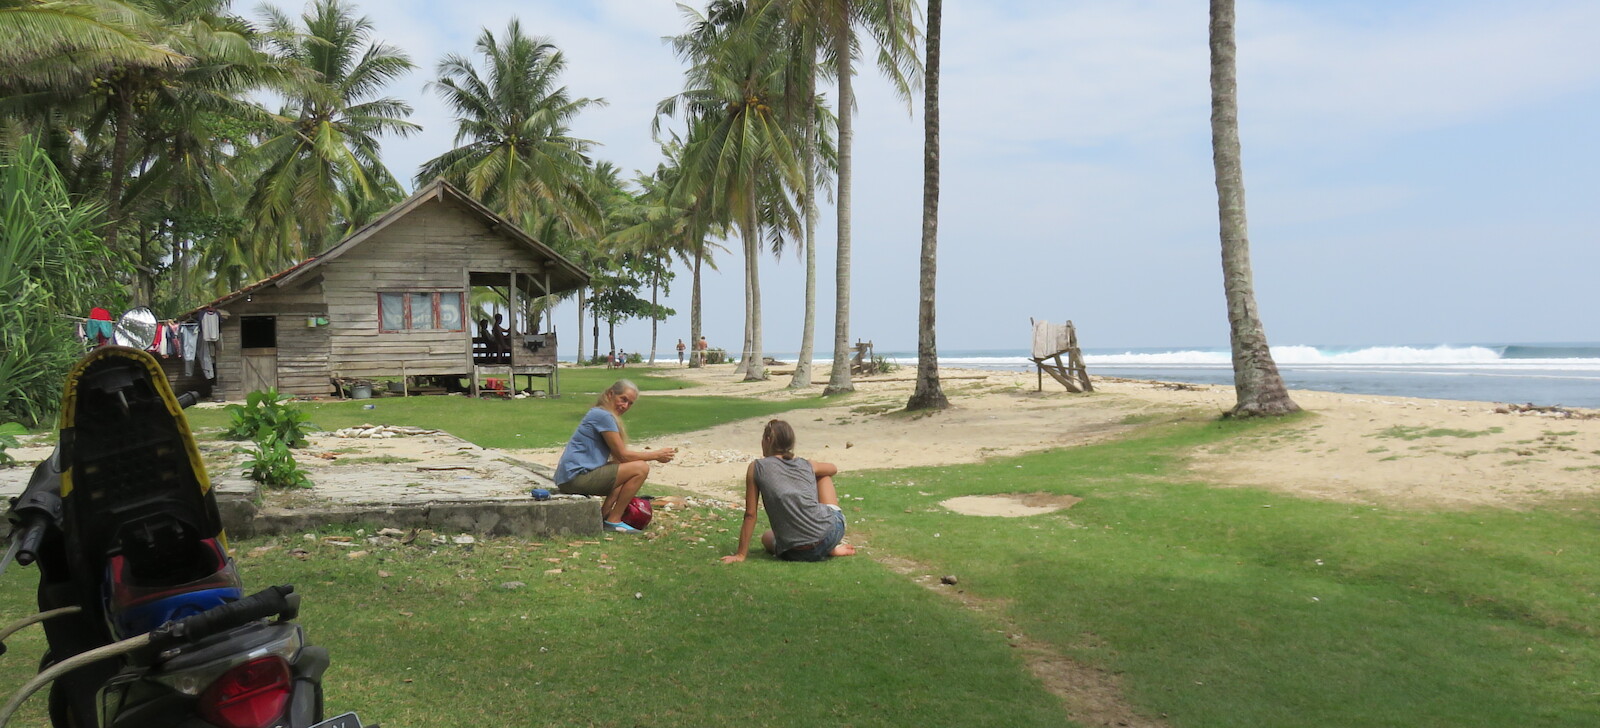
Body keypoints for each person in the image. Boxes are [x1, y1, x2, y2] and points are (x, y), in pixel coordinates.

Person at [722, 420, 855, 563]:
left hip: (794, 553)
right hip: (830, 534)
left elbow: (750, 514)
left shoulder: (757, 467)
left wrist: (741, 554)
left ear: (768, 440)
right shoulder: (805, 464)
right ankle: (829, 547)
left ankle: (822, 546)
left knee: (767, 537)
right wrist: (812, 467)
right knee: (824, 475)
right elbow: (833, 468)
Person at [553, 380, 677, 533]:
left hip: (569, 478)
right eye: (623, 399)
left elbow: (619, 460)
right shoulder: (603, 415)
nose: (625, 406)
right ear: (611, 394)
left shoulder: (600, 413)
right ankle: (614, 520)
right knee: (640, 468)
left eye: (630, 403)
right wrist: (656, 455)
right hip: (575, 478)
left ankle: (604, 515)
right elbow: (623, 455)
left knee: (624, 469)